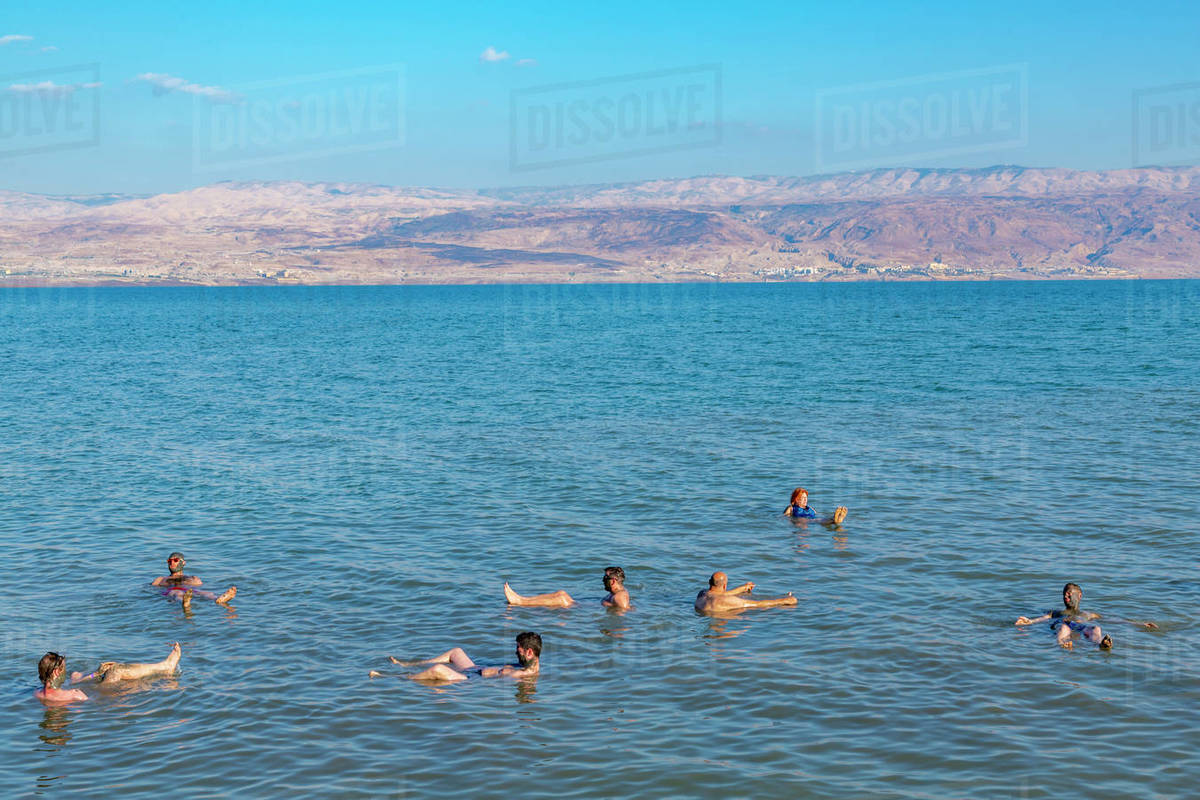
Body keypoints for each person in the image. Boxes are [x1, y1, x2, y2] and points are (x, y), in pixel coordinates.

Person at [34, 643, 182, 703]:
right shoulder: (74, 694)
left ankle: (99, 673)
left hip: (84, 691)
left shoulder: (37, 693)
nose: (65, 672)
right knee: (116, 670)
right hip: (104, 698)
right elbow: (96, 700)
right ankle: (166, 667)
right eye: (64, 668)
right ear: (57, 671)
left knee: (75, 675)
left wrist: (95, 675)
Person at [395, 632, 543, 682]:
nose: (516, 652)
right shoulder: (526, 666)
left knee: (438, 669)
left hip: (470, 680)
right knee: (456, 652)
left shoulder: (523, 675)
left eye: (518, 649)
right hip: (475, 669)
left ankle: (401, 678)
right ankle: (409, 665)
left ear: (529, 652)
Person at [1014, 582, 1157, 628]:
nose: (1066, 596)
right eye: (1064, 594)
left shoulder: (1090, 615)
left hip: (1082, 628)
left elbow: (1113, 620)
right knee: (1063, 630)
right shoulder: (1056, 613)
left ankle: (1102, 644)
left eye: (1069, 593)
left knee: (1096, 630)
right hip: (1064, 625)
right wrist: (1030, 621)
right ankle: (1064, 644)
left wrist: (1139, 624)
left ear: (1080, 595)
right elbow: (1043, 618)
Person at [503, 566, 631, 610]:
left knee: (562, 599)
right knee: (561, 593)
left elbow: (624, 612)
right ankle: (521, 599)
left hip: (583, 610)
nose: (603, 580)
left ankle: (520, 602)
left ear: (613, 581)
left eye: (605, 578)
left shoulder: (620, 597)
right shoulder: (617, 594)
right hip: (586, 606)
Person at [151, 552, 236, 608]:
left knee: (205, 593)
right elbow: (150, 590)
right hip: (171, 591)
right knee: (178, 593)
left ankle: (218, 599)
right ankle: (184, 602)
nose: (172, 563)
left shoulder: (193, 578)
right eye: (169, 561)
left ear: (183, 563)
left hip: (189, 591)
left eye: (175, 560)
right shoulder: (160, 579)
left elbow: (201, 587)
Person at [69, 642, 182, 684]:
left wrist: (99, 670)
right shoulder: (68, 683)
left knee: (116, 668)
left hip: (102, 677)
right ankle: (166, 667)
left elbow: (78, 680)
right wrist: (96, 673)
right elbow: (75, 684)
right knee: (117, 670)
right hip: (103, 681)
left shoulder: (73, 674)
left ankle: (165, 667)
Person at [694, 571, 798, 614]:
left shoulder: (702, 594)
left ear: (709, 582)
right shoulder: (727, 600)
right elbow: (758, 604)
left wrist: (742, 588)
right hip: (719, 620)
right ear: (725, 586)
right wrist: (785, 600)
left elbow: (719, 594)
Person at [783, 488, 848, 524]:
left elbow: (818, 514)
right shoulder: (791, 508)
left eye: (806, 498)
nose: (805, 499)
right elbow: (784, 517)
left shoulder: (810, 508)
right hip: (802, 521)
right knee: (817, 521)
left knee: (820, 519)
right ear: (796, 499)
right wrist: (793, 521)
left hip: (814, 520)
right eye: (803, 498)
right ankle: (834, 519)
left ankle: (834, 519)